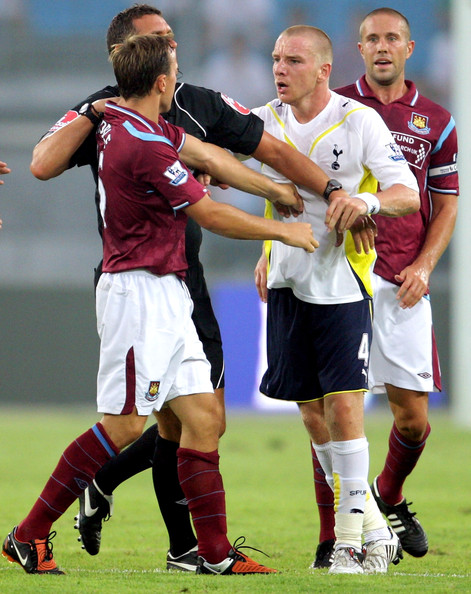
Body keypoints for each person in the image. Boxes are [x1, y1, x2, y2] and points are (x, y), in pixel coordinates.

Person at [28, 4, 374, 572]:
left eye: (170, 38)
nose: (172, 48)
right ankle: (34, 531)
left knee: (202, 417)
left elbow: (216, 155)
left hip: (178, 285)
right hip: (137, 283)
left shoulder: (166, 118)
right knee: (133, 423)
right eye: (159, 42)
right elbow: (209, 212)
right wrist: (283, 227)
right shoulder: (122, 127)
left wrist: (301, 189)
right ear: (137, 65)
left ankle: (208, 553)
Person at [252, 24, 420, 575]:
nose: (280, 68)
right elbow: (248, 184)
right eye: (276, 58)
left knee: (345, 406)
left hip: (344, 281)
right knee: (312, 415)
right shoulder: (263, 122)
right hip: (286, 283)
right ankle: (372, 526)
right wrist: (265, 244)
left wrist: (366, 203)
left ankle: (348, 542)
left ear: (324, 69)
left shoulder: (358, 120)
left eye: (293, 60)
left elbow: (406, 193)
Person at [306, 7, 459, 568]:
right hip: (341, 275)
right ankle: (333, 538)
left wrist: (425, 265)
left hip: (402, 282)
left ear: (410, 48)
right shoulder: (334, 106)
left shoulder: (437, 121)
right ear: (359, 48)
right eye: (372, 39)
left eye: (392, 38)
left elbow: (443, 207)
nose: (382, 47)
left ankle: (386, 496)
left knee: (412, 420)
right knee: (329, 412)